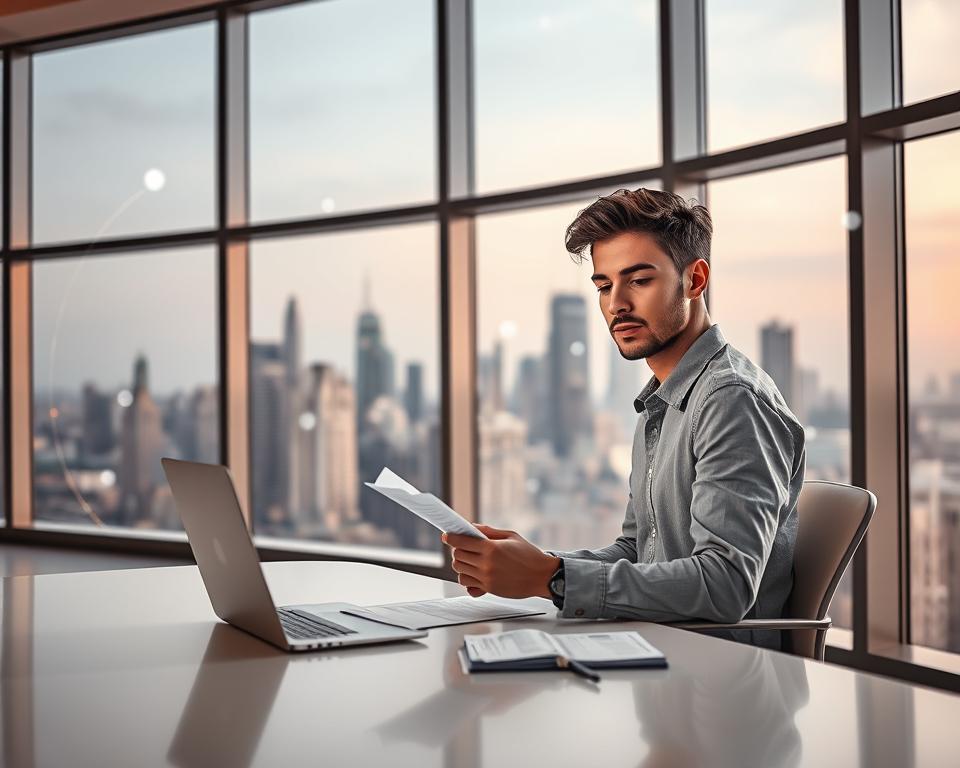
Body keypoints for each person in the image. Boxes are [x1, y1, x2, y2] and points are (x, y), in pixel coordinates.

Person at [442, 188, 806, 649]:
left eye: (638, 280)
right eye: (603, 286)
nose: (616, 304)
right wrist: (540, 565)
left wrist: (552, 578)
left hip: (721, 673)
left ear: (695, 280)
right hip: (657, 653)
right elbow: (639, 551)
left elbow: (725, 585)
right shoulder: (661, 402)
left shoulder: (730, 399)